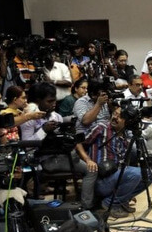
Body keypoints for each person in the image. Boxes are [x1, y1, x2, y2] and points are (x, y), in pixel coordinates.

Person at [21, 82, 97, 210]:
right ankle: (86, 207)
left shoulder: (57, 117)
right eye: (49, 101)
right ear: (38, 101)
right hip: (41, 159)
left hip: (62, 156)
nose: (53, 104)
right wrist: (43, 130)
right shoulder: (28, 119)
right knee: (88, 169)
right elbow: (27, 146)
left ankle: (84, 207)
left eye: (54, 100)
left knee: (91, 168)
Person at [79, 105, 145, 219]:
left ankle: (120, 200)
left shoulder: (126, 136)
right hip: (102, 180)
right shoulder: (102, 127)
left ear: (127, 121)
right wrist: (87, 159)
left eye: (120, 116)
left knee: (148, 174)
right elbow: (78, 142)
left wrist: (127, 191)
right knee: (137, 173)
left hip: (116, 178)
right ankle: (111, 203)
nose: (115, 118)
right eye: (114, 114)